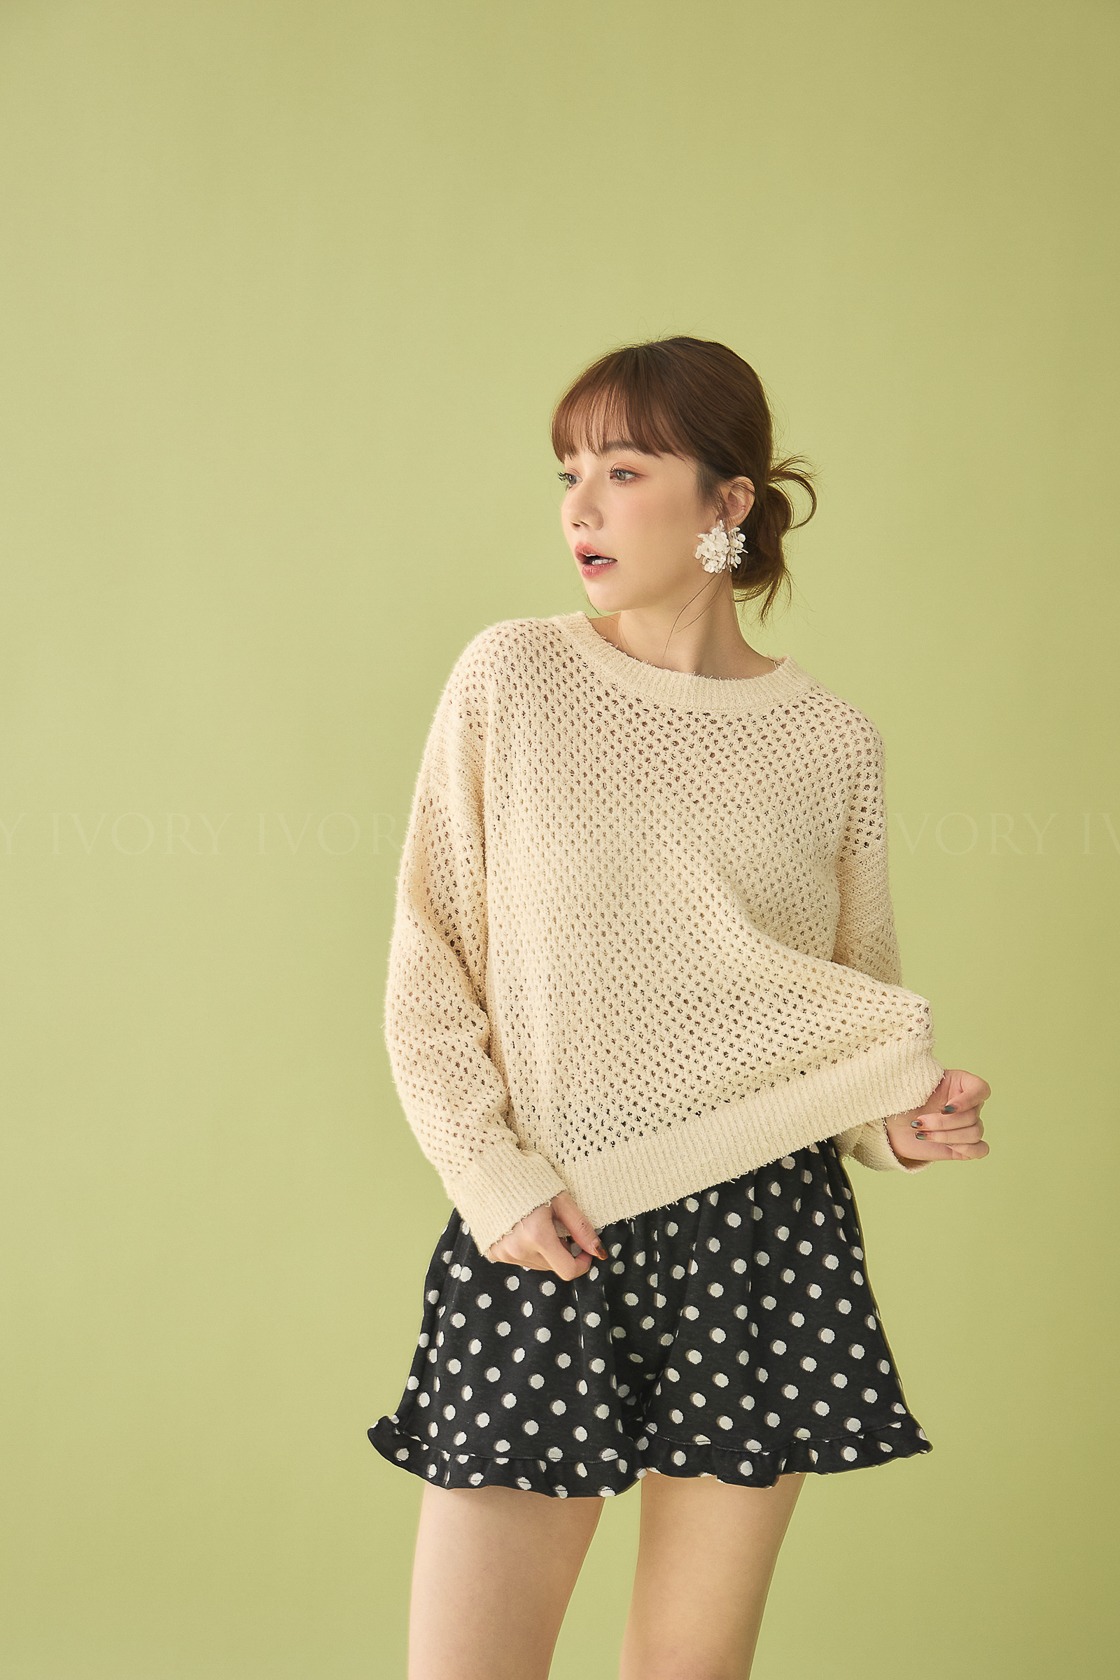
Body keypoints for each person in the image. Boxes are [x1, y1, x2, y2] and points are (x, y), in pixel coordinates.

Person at [368, 335, 991, 1680]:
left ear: (729, 501)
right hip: (549, 1224)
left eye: (625, 470)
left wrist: (898, 1125)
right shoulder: (514, 679)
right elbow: (431, 964)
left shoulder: (831, 742)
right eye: (569, 473)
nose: (580, 506)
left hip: (761, 1236)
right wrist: (491, 1177)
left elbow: (845, 1007)